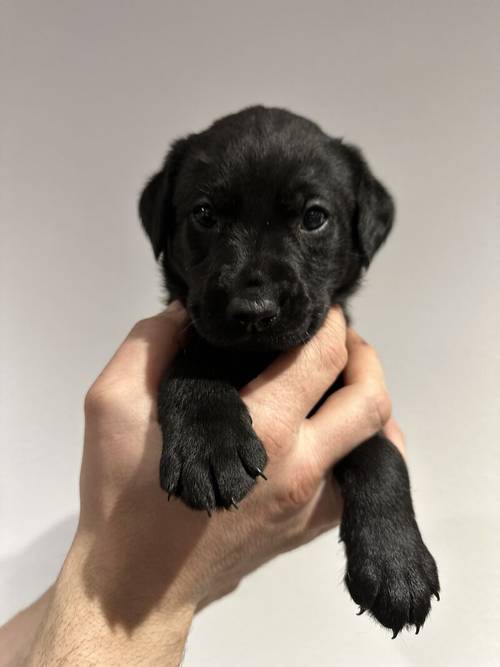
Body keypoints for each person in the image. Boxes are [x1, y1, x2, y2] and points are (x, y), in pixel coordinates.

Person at [0, 302, 403, 666]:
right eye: (207, 216)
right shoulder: (187, 360)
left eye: (312, 217)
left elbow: (366, 442)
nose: (256, 297)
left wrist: (384, 503)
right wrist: (145, 590)